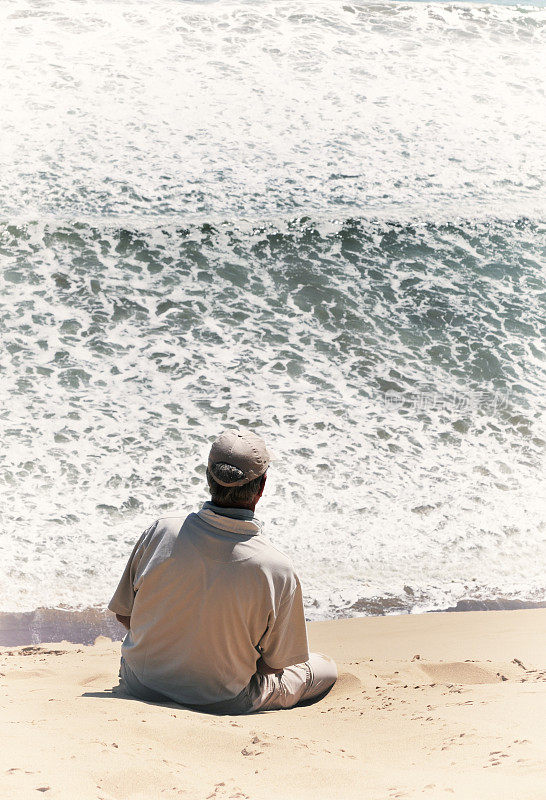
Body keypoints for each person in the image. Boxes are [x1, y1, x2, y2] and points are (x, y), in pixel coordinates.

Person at [108, 429, 338, 714]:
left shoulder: (161, 530)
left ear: (208, 478)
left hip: (140, 683)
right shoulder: (276, 567)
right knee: (326, 667)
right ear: (261, 486)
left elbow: (123, 613)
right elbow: (275, 663)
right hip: (223, 699)